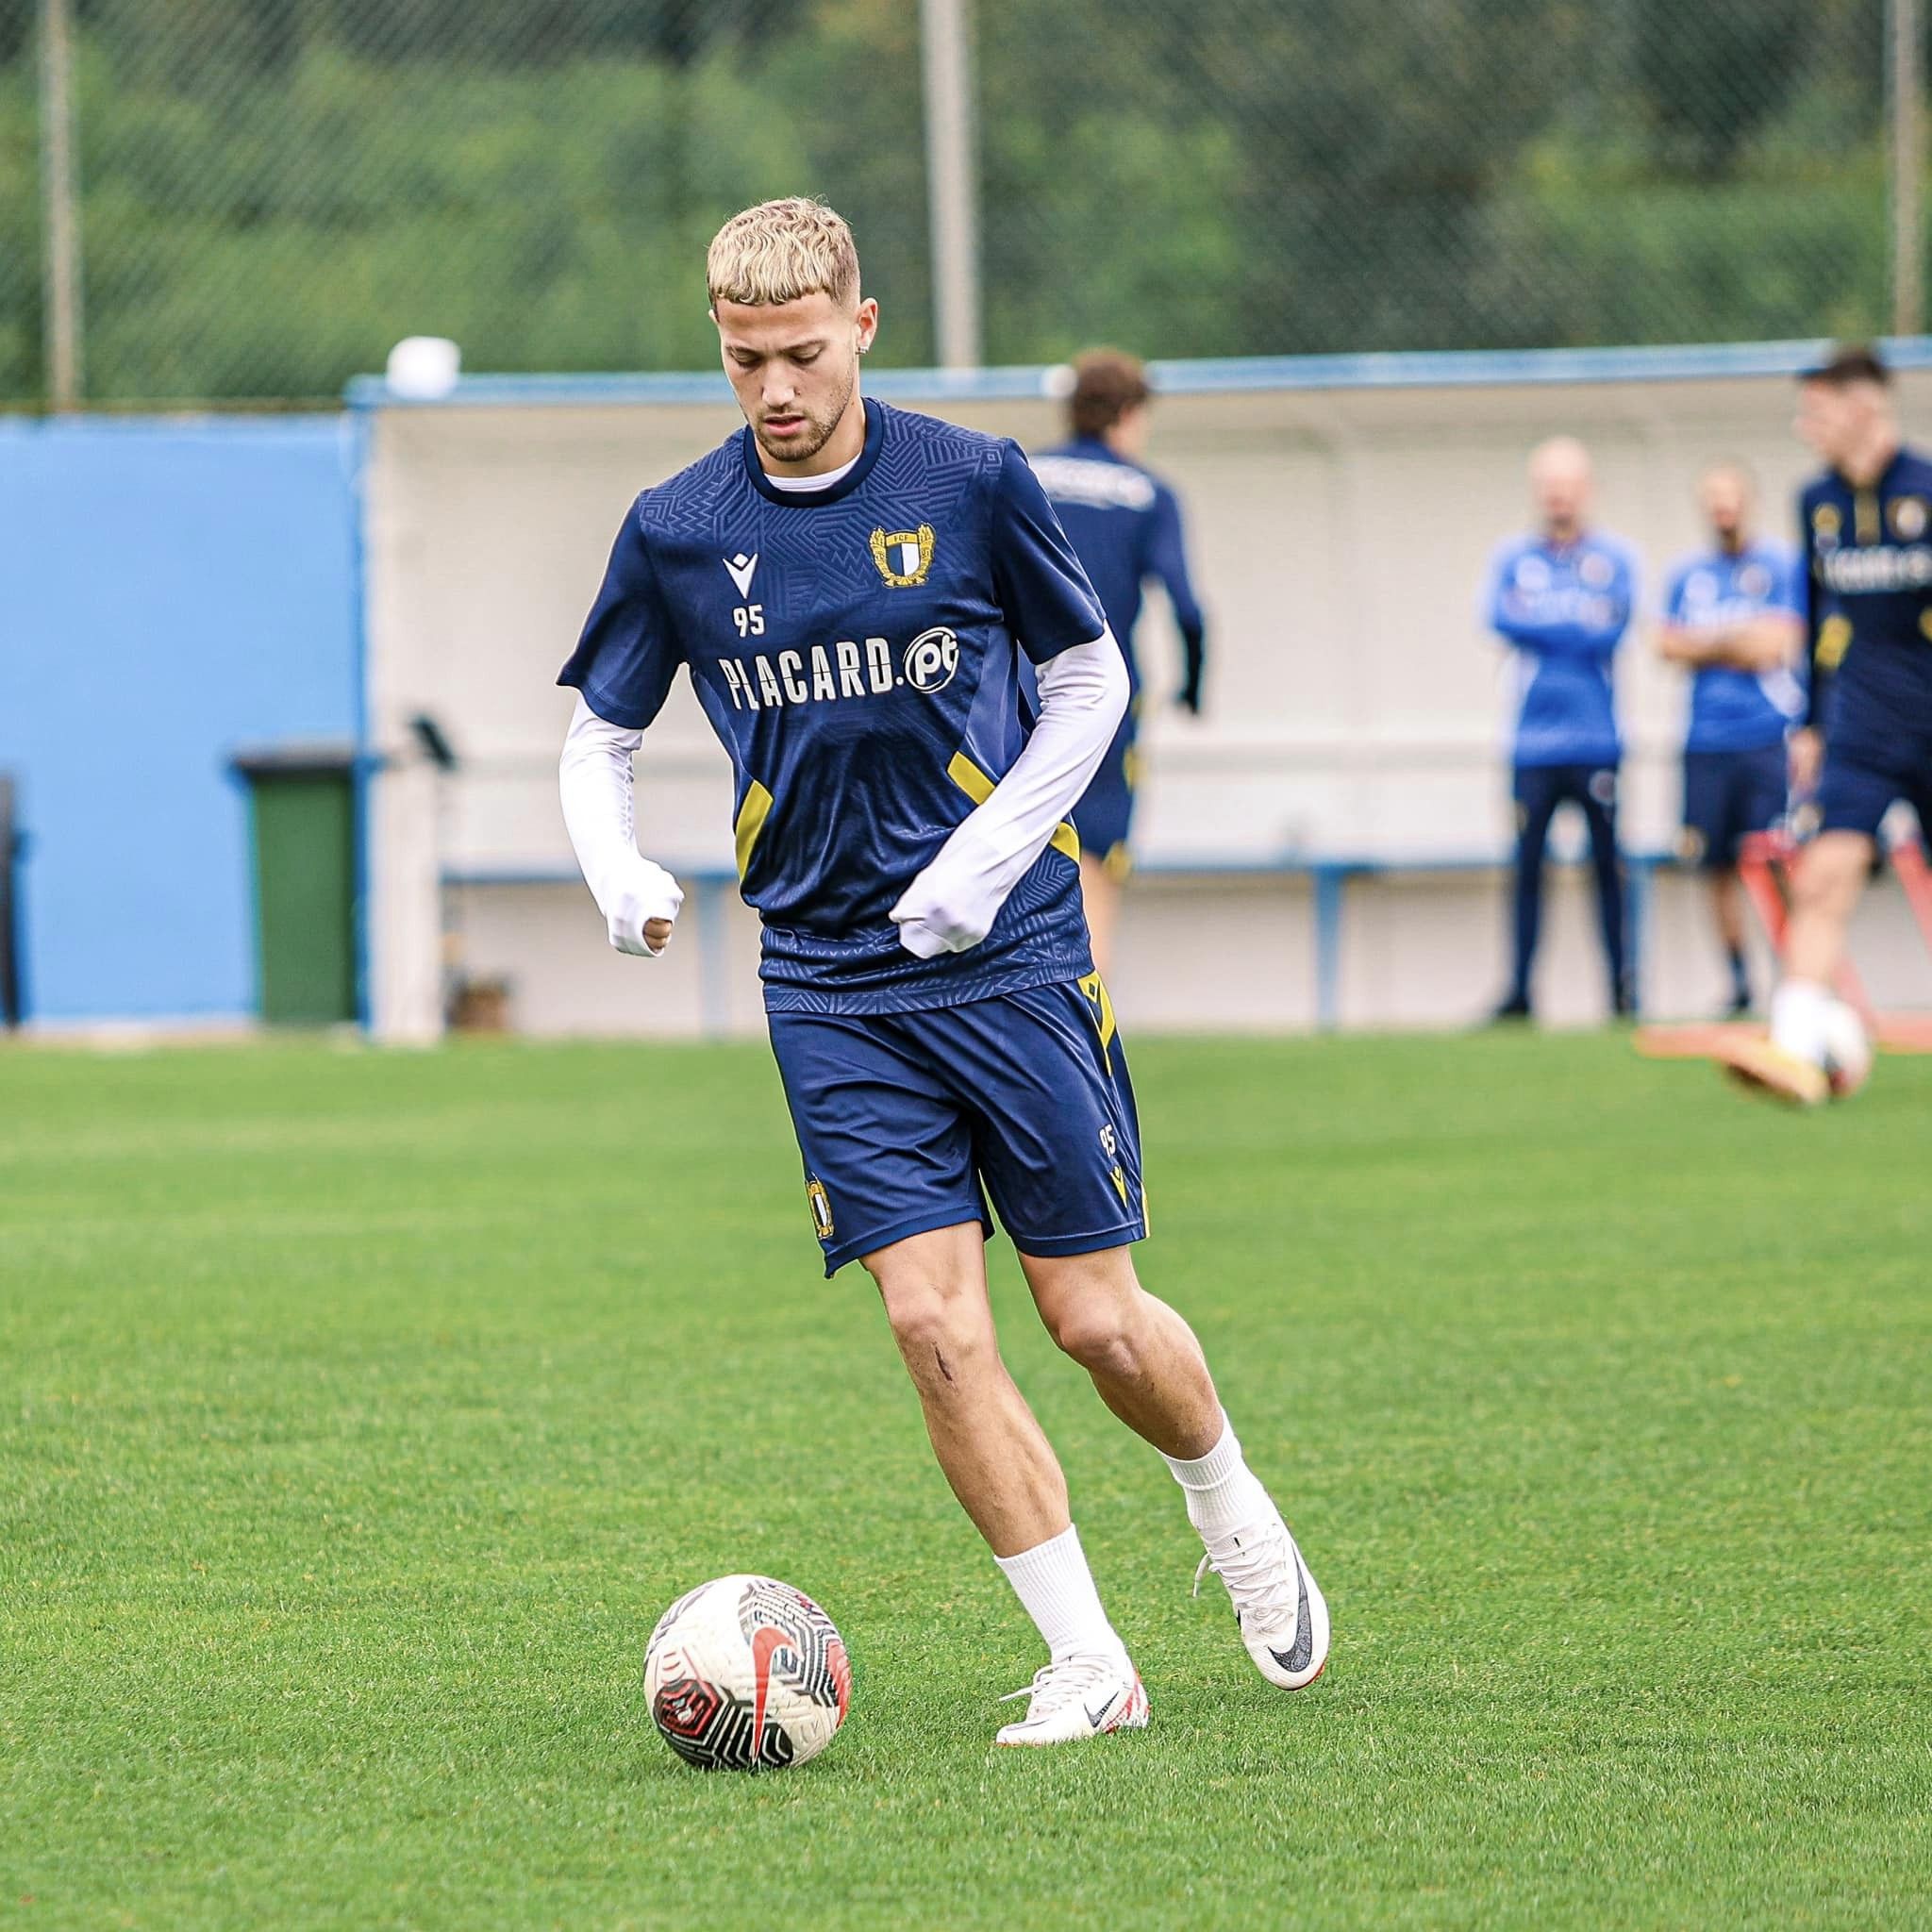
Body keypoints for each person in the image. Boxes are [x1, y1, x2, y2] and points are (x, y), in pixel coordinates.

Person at [555, 199, 1327, 1746]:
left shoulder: (971, 480)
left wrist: (987, 855)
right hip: (825, 980)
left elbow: (1089, 673)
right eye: (740, 360)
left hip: (1012, 951)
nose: (772, 388)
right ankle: (1090, 1660)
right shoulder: (677, 526)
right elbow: (602, 733)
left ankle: (1228, 1506)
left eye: (795, 352)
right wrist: (619, 868)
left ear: (861, 325)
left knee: (1092, 1318)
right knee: (930, 1322)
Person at [1722, 344, 1932, 1104]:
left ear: (1864, 407)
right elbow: (1819, 619)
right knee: (1822, 879)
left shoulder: (1928, 489)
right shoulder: (1817, 501)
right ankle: (1795, 1045)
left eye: (1817, 409)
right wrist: (1811, 723)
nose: (1803, 424)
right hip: (1863, 730)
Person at [1030, 351, 1207, 976]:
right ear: (1130, 414)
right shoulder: (1148, 493)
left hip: (1019, 692)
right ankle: (1084, 998)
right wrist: (1194, 686)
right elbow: (1188, 608)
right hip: (1100, 698)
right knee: (1096, 858)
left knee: (1014, 846)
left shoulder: (1022, 475)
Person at [1484, 438, 1641, 1021]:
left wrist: (1541, 622)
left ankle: (1623, 991)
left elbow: (1612, 628)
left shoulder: (1615, 558)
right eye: (1550, 486)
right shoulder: (1512, 558)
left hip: (1597, 741)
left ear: (1586, 490)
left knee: (1607, 868)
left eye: (1569, 485)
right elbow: (1499, 618)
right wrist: (1575, 621)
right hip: (1530, 746)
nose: (1559, 497)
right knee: (1526, 870)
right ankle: (1520, 990)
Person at [1656, 463, 1806, 1016]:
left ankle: (1797, 977)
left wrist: (1708, 643)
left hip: (1768, 737)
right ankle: (1739, 981)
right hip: (1704, 742)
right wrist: (1733, 640)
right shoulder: (1686, 575)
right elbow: (1667, 644)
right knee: (1713, 864)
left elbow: (1776, 645)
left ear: (1750, 501)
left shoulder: (1781, 566)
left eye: (1731, 497)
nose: (1723, 508)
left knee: (1776, 858)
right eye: (1713, 499)